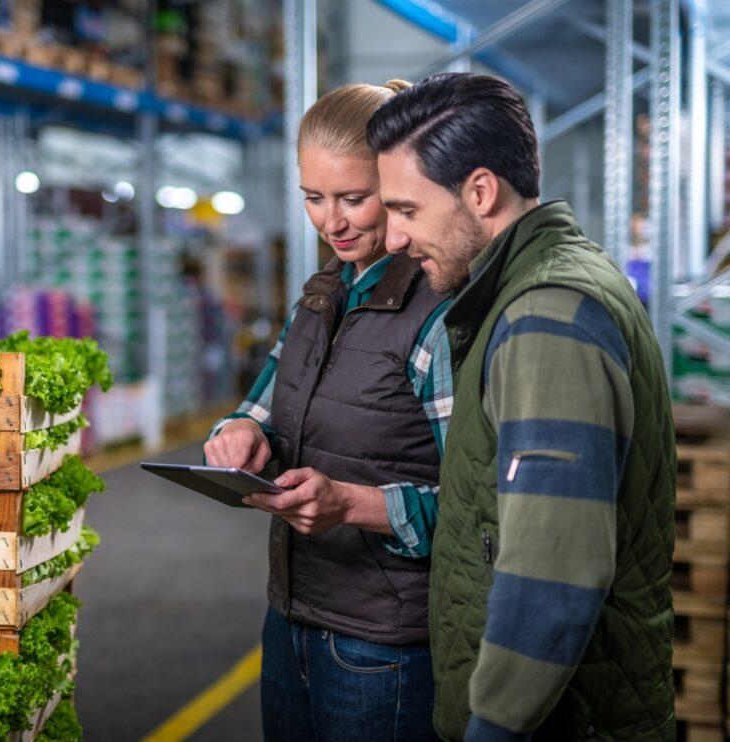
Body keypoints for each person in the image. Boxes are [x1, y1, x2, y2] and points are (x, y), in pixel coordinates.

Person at [366, 72, 675, 741]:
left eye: (407, 210)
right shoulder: (544, 288)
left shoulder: (546, 316)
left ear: (480, 192)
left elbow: (553, 563)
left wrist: (494, 726)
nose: (392, 238)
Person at [205, 80, 452, 741]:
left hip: (387, 645)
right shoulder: (319, 298)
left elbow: (481, 512)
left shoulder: (439, 315)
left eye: (354, 198)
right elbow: (257, 409)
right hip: (292, 620)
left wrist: (352, 505)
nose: (331, 221)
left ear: (399, 184)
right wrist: (238, 434)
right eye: (314, 198)